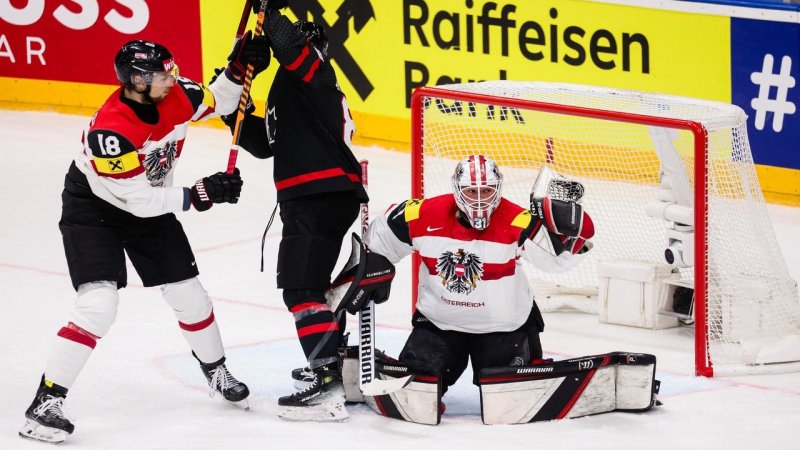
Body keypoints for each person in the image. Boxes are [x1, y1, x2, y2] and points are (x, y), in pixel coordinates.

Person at [19, 36, 270, 444]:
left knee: (190, 295)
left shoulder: (179, 93)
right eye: (162, 75)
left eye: (171, 71)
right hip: (94, 209)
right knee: (98, 305)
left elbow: (222, 100)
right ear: (136, 81)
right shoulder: (112, 132)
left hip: (146, 203)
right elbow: (138, 201)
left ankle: (215, 370)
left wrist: (238, 67)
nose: (172, 79)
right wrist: (200, 194)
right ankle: (45, 402)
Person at [224, 0, 367, 418]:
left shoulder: (314, 75)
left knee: (301, 291)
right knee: (311, 289)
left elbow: (288, 44)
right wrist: (236, 85)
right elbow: (260, 142)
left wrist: (267, 11)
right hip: (318, 197)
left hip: (317, 197)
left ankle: (327, 383)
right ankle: (333, 366)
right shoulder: (292, 92)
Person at [362, 155, 595, 403]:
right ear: (457, 189)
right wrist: (369, 268)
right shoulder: (422, 213)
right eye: (472, 191)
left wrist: (572, 235)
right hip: (440, 324)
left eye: (487, 190)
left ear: (498, 188)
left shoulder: (518, 219)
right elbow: (378, 241)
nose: (480, 199)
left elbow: (556, 262)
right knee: (418, 392)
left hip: (504, 328)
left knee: (508, 398)